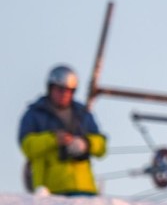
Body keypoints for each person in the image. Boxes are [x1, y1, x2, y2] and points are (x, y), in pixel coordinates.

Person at [18, 65, 107, 196]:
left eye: (69, 90)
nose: (64, 94)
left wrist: (85, 144)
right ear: (50, 88)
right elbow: (27, 145)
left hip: (84, 189)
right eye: (60, 89)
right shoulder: (35, 114)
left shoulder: (82, 114)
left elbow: (102, 146)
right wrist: (53, 139)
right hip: (50, 190)